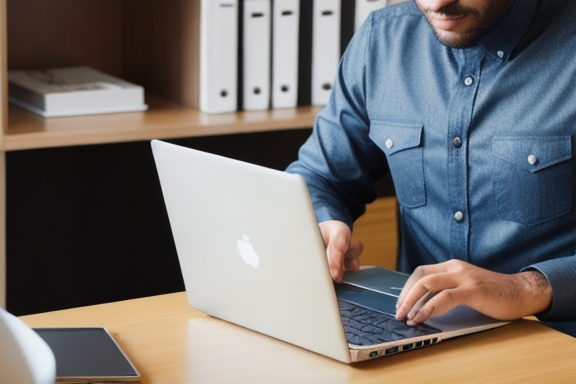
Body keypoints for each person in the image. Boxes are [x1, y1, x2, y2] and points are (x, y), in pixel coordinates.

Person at [286, 0, 576, 337]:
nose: (437, 4)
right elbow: (320, 176)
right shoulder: (384, 39)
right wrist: (326, 221)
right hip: (415, 335)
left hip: (556, 345)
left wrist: (526, 289)